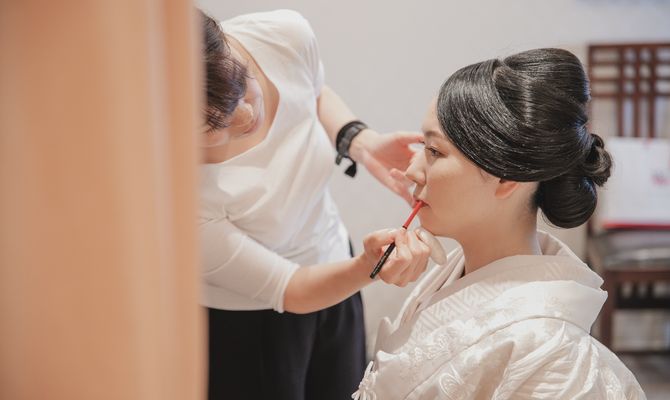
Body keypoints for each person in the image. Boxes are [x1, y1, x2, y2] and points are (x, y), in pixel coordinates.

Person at [353, 48, 646, 399]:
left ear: (507, 178)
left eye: (435, 152)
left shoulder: (553, 354)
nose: (412, 171)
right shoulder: (448, 276)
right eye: (422, 145)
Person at [198, 9, 442, 400]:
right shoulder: (182, 198)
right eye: (215, 122)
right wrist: (370, 266)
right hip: (250, 324)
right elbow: (293, 289)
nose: (246, 114)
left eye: (241, 84)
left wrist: (359, 141)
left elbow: (312, 91)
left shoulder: (282, 35)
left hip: (336, 265)